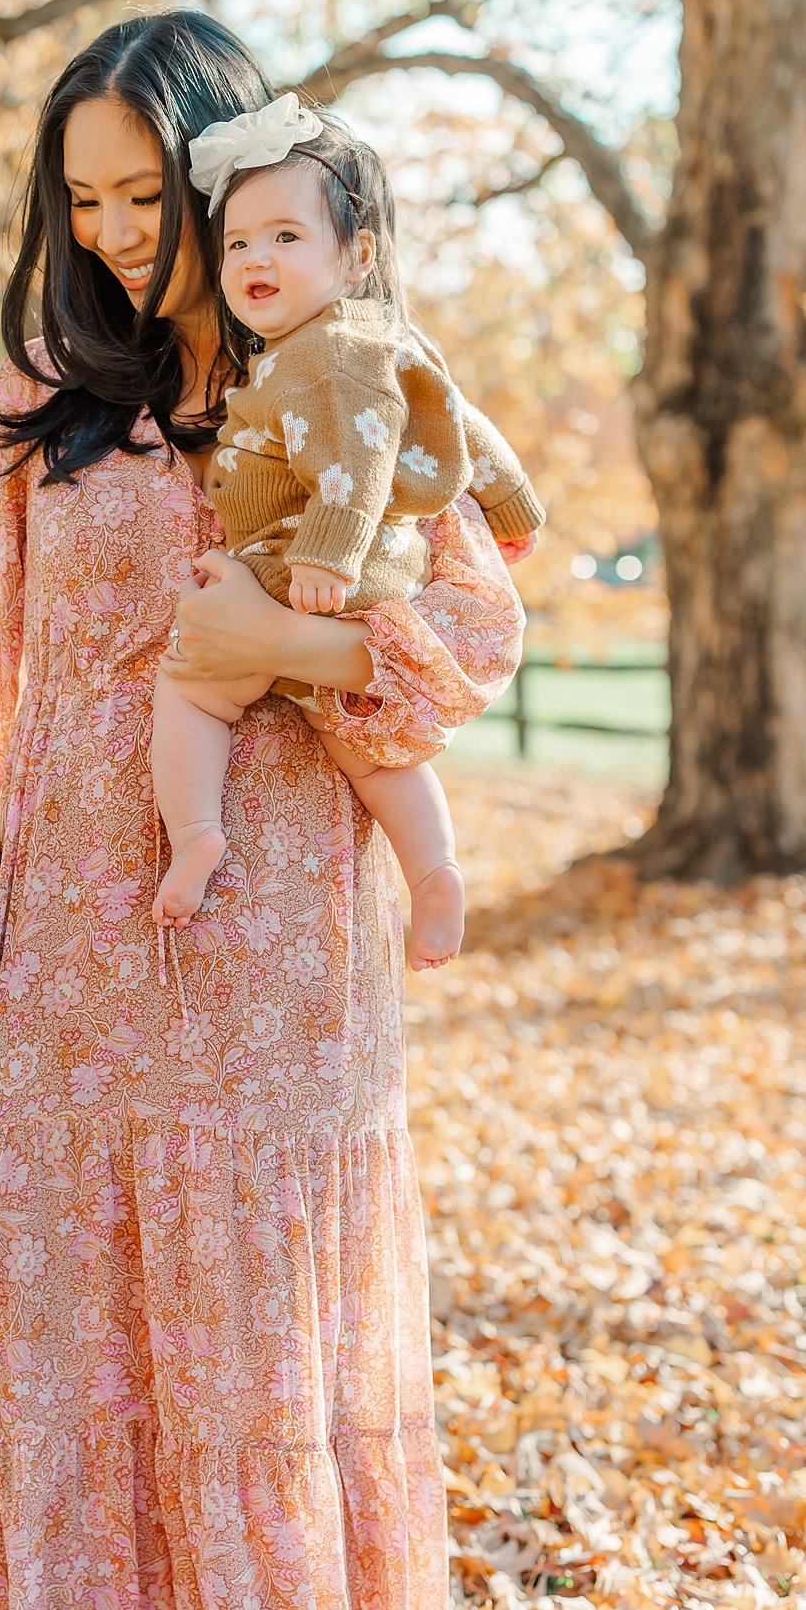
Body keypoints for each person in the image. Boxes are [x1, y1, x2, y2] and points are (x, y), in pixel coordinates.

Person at [0, 9, 524, 1610]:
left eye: (152, 192)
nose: (122, 228)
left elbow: (478, 624)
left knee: (261, 1301)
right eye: (88, 198)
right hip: (74, 900)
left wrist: (303, 644)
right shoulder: (34, 402)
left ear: (231, 182)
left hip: (279, 903)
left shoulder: (330, 366)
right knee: (36, 1260)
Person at [150, 93, 543, 967]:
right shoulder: (374, 341)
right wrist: (514, 509)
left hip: (306, 567)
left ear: (358, 254)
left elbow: (355, 464)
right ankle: (433, 870)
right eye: (240, 242)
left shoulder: (328, 354)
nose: (257, 258)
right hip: (334, 576)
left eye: (287, 237)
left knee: (191, 689)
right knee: (368, 750)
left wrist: (327, 554)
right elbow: (462, 423)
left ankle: (198, 833)